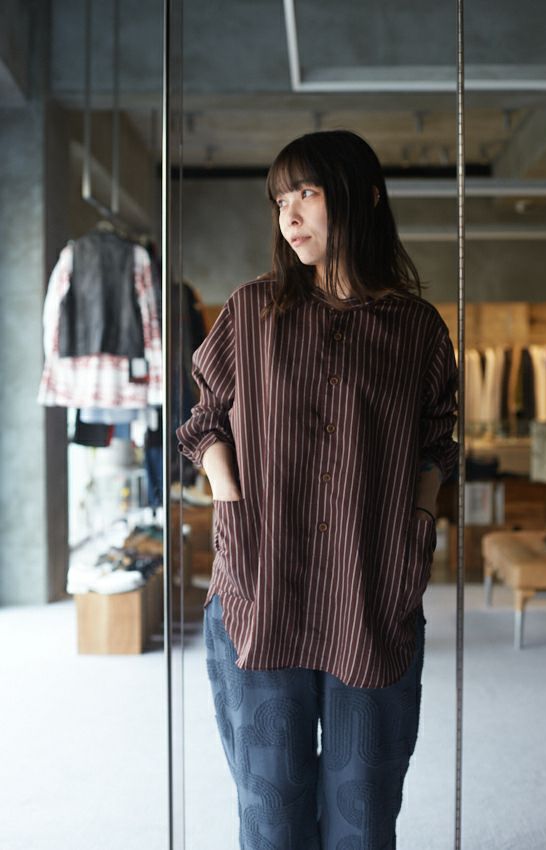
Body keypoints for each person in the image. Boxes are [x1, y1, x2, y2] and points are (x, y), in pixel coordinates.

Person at [176, 129, 459, 850]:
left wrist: (418, 516)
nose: (290, 215)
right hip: (262, 585)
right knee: (271, 814)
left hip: (369, 589)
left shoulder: (416, 329)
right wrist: (232, 503)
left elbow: (436, 439)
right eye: (280, 201)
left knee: (363, 813)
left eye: (307, 192)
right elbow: (204, 422)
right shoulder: (251, 311)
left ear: (364, 197)